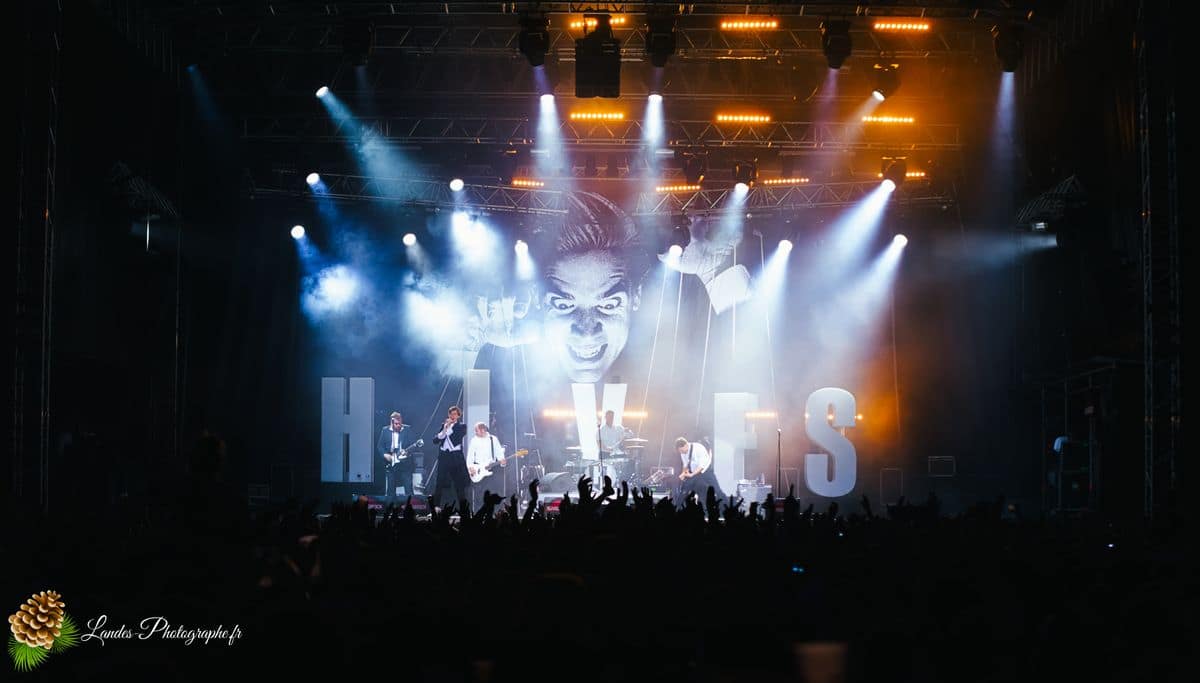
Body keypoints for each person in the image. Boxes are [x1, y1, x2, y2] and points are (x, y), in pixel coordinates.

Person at [428, 406, 469, 507]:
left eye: (455, 414)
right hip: (444, 457)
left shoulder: (462, 426)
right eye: (451, 414)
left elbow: (456, 439)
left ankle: (463, 509)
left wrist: (449, 428)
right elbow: (436, 440)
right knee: (439, 483)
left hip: (455, 457)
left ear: (459, 415)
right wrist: (445, 428)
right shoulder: (444, 425)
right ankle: (436, 507)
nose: (452, 416)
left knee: (459, 484)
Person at [376, 411, 415, 503]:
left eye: (400, 423)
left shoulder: (407, 429)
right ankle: (390, 510)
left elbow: (413, 444)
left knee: (408, 488)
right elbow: (380, 446)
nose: (398, 425)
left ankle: (411, 510)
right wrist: (385, 455)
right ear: (391, 422)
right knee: (390, 489)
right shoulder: (385, 430)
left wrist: (407, 452)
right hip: (391, 463)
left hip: (405, 464)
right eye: (396, 424)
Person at [465, 422, 506, 507]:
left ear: (483, 430)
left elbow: (499, 453)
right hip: (478, 471)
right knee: (479, 496)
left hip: (491, 470)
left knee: (491, 494)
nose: (475, 432)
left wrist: (502, 462)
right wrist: (470, 468)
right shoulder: (474, 440)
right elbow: (470, 456)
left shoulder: (493, 439)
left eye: (477, 430)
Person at [675, 436, 725, 505]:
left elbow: (701, 466)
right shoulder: (682, 452)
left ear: (686, 445)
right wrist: (683, 473)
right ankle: (675, 509)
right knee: (684, 491)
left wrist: (691, 474)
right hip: (694, 472)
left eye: (681, 450)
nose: (681, 452)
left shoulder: (698, 448)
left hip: (706, 471)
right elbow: (685, 465)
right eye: (680, 451)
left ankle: (728, 508)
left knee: (717, 490)